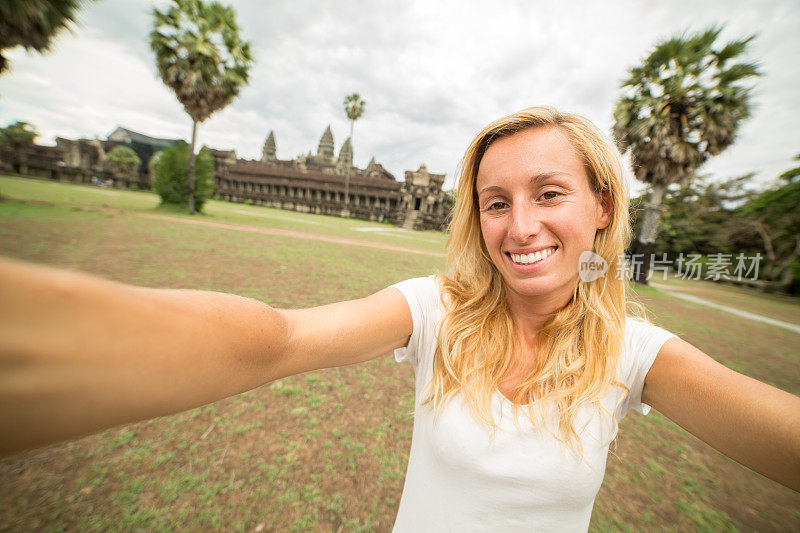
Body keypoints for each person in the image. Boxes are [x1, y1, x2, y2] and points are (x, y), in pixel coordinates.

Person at [0, 107, 798, 530]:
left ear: (602, 206)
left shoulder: (636, 352)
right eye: (495, 202)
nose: (520, 226)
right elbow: (278, 338)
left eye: (548, 193)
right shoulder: (434, 310)